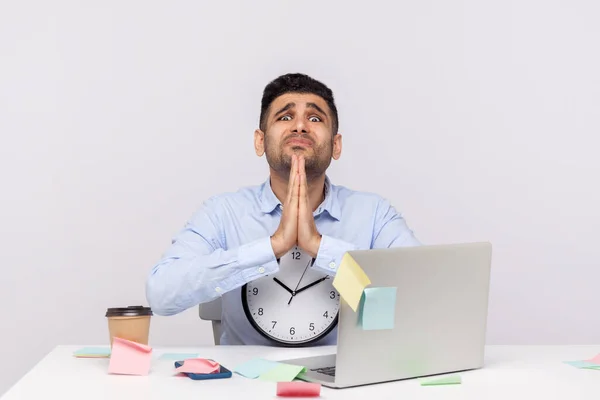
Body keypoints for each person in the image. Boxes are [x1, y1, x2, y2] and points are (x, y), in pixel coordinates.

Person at [146, 73, 421, 345]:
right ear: (260, 141)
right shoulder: (223, 212)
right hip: (246, 384)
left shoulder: (374, 215)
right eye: (285, 117)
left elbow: (420, 297)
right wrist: (272, 247)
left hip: (345, 381)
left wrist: (319, 246)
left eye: (315, 119)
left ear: (336, 146)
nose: (300, 126)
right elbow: (161, 295)